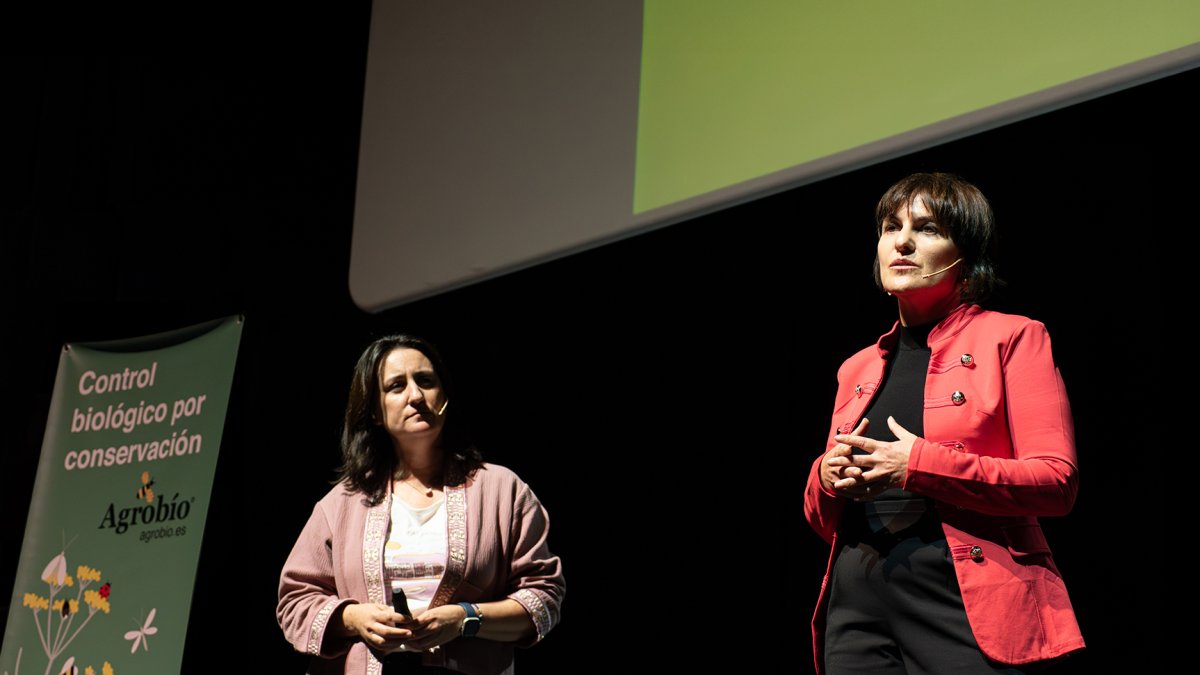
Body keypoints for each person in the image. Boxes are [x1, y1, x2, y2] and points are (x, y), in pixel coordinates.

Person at [803, 173, 1084, 674]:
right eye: (891, 227)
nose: (903, 242)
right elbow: (822, 518)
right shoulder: (857, 367)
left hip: (962, 601)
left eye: (928, 229)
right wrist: (826, 478)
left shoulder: (1014, 337)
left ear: (966, 254)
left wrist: (918, 465)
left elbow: (1055, 482)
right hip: (857, 608)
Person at [278, 334, 564, 675]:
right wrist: (353, 618)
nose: (415, 396)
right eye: (396, 386)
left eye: (426, 381)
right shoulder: (341, 503)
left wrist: (465, 619)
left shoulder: (503, 490)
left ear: (443, 395)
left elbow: (543, 598)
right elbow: (295, 601)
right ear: (374, 412)